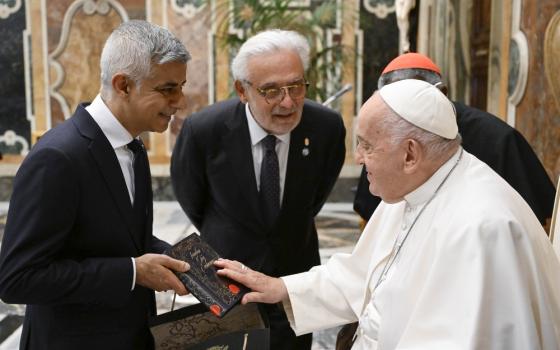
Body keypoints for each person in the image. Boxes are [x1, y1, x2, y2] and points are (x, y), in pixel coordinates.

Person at [215, 79, 560, 349]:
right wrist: (281, 288)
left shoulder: (483, 228)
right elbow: (361, 277)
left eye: (366, 145)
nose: (358, 159)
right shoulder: (413, 188)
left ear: (410, 154)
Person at [0, 20, 192, 349]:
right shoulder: (58, 158)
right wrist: (133, 273)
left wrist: (190, 262)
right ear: (123, 85)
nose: (181, 101)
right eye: (168, 89)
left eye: (182, 87)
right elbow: (18, 278)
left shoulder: (133, 146)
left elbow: (127, 238)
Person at [170, 29, 346, 349]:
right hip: (225, 282)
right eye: (271, 91)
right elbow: (191, 197)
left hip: (294, 279)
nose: (288, 101)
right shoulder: (204, 131)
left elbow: (315, 197)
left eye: (296, 86)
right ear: (242, 90)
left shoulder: (326, 128)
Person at [354, 52, 556, 226]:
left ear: (442, 93)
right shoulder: (383, 139)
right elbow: (369, 218)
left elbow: (531, 220)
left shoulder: (498, 138)